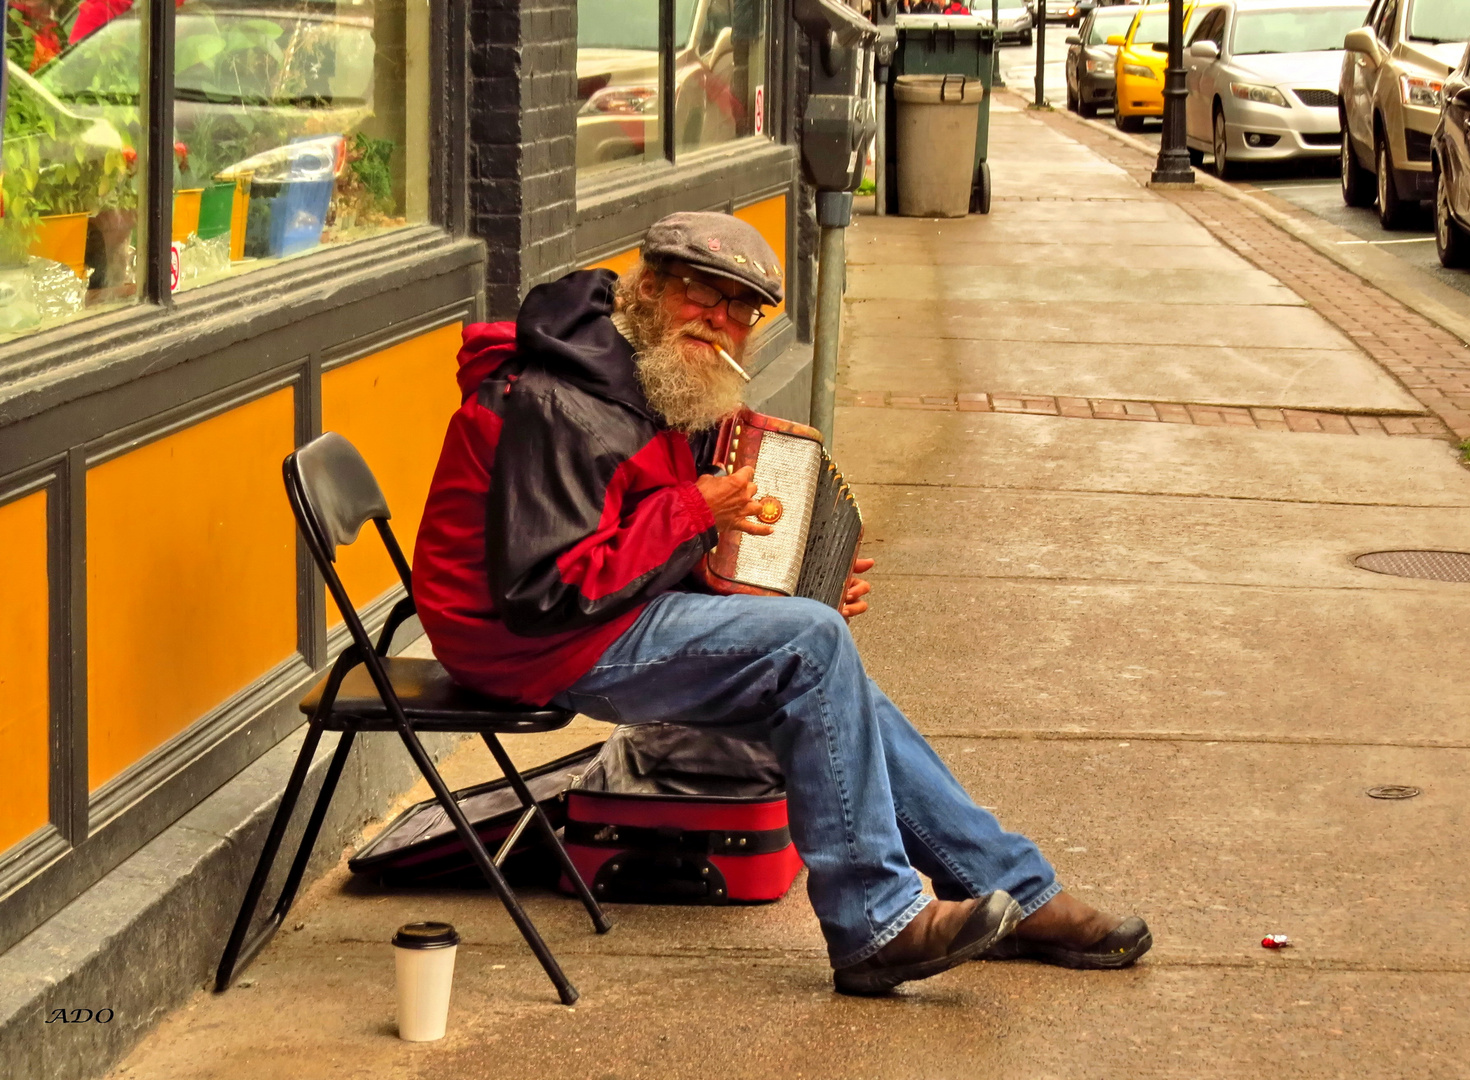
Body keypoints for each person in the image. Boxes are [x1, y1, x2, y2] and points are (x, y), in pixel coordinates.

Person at [412, 211, 1152, 995]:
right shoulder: (558, 402)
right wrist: (695, 513)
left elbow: (629, 542)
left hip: (592, 618)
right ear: (650, 288)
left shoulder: (646, 378)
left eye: (742, 309)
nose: (722, 321)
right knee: (809, 645)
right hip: (524, 645)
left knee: (819, 656)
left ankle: (1010, 886)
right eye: (704, 295)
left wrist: (795, 582)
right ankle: (875, 922)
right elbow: (545, 592)